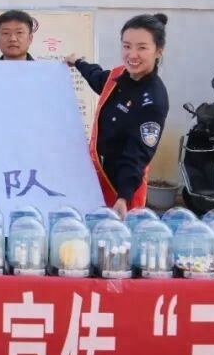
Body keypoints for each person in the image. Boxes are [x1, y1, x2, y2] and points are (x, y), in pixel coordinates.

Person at [66, 13, 170, 218]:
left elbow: (138, 153)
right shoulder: (118, 76)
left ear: (158, 51)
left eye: (142, 48)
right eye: (127, 46)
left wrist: (123, 198)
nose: (132, 54)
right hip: (95, 181)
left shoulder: (153, 100)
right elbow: (97, 78)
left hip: (121, 188)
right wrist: (77, 62)